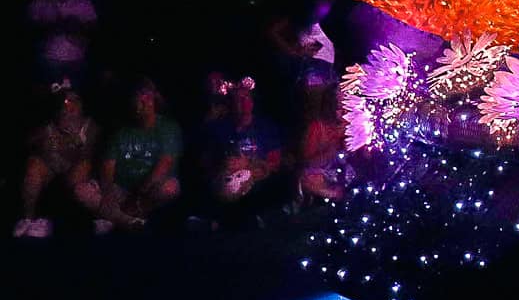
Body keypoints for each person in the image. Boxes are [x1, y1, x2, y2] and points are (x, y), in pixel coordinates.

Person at [89, 78, 183, 230]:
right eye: (137, 96)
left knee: (170, 188)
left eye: (146, 95)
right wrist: (108, 193)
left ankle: (114, 218)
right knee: (82, 191)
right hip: (121, 189)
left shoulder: (168, 127)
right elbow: (107, 168)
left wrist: (137, 198)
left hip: (147, 192)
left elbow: (164, 165)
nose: (142, 101)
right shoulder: (120, 132)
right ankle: (129, 221)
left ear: (154, 98)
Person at [12, 80, 100, 237]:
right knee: (33, 165)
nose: (71, 105)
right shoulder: (51, 123)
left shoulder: (89, 125)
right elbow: (27, 142)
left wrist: (74, 142)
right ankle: (27, 219)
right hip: (50, 164)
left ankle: (93, 219)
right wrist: (43, 138)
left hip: (74, 169)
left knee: (84, 168)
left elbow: (89, 155)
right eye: (67, 100)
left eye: (75, 100)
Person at [200, 77, 284, 224]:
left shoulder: (266, 127)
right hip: (226, 181)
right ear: (231, 104)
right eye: (238, 100)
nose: (244, 103)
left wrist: (249, 165)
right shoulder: (220, 128)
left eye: (246, 98)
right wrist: (223, 165)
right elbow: (205, 161)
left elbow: (275, 163)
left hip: (258, 179)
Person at [26, 0, 97, 84]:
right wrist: (52, 26)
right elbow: (30, 30)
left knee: (74, 96)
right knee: (50, 97)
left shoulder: (83, 3)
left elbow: (93, 29)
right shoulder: (41, 2)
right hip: (48, 60)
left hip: (76, 60)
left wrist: (76, 26)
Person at [297, 82, 345, 205]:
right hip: (319, 172)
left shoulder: (348, 125)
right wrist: (329, 153)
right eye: (340, 107)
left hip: (341, 170)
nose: (344, 111)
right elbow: (307, 161)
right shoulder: (317, 127)